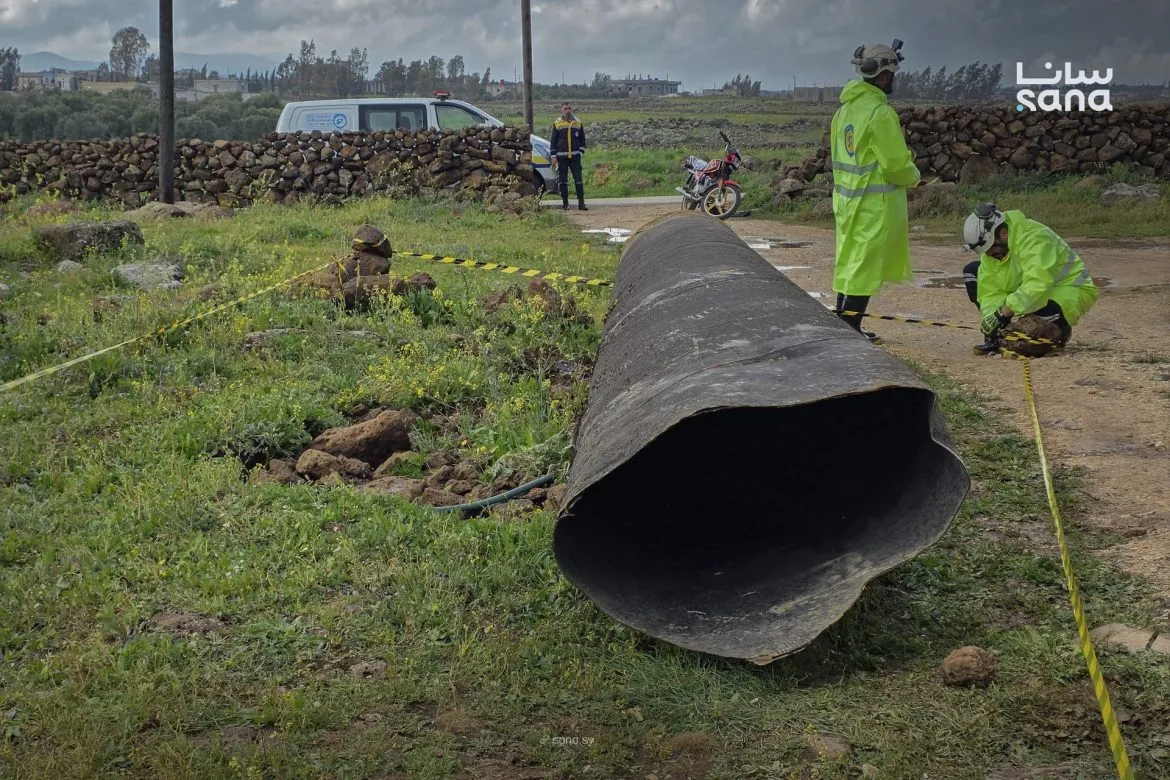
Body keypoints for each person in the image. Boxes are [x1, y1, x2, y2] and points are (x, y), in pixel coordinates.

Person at [830, 39, 920, 343]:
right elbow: (895, 164)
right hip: (874, 203)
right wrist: (914, 174)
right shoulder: (880, 114)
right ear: (883, 76)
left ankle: (843, 323)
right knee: (864, 266)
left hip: (846, 200)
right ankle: (850, 329)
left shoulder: (844, 112)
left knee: (850, 261)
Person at [962, 203, 1099, 357]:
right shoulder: (992, 250)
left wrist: (1002, 314)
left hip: (1068, 290)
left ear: (1003, 233)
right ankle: (1000, 336)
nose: (988, 255)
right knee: (972, 272)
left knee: (1029, 337)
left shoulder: (1035, 238)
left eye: (991, 250)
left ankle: (1061, 330)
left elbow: (1037, 284)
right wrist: (990, 319)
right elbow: (990, 292)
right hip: (1031, 292)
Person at [550, 102, 588, 211]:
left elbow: (582, 139)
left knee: (578, 180)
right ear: (562, 110)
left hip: (575, 157)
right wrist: (553, 156)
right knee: (563, 181)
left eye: (569, 108)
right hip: (561, 158)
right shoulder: (557, 123)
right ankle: (565, 204)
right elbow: (553, 141)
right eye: (565, 108)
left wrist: (580, 152)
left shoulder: (578, 122)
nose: (568, 110)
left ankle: (581, 204)